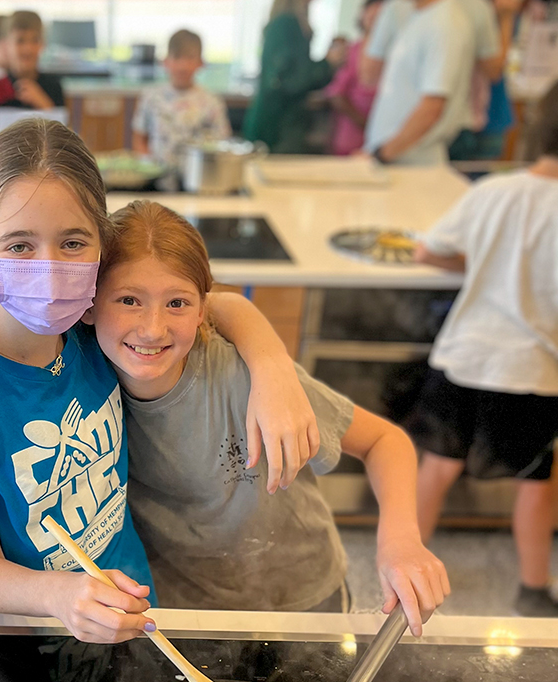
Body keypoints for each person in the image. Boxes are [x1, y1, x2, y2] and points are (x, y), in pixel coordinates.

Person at [0, 119, 324, 642]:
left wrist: (272, 366)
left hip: (136, 613)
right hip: (19, 646)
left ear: (102, 247)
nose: (50, 270)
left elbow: (215, 304)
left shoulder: (91, 332)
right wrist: (58, 594)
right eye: (20, 246)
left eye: (73, 243)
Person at [85, 199, 449, 633]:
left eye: (177, 304)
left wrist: (401, 542)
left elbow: (383, 441)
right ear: (89, 304)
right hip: (184, 609)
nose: (152, 328)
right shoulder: (78, 382)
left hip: (305, 595)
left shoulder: (240, 374)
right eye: (129, 300)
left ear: (203, 308)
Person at [408, 81, 558, 617]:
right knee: (536, 482)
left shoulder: (496, 190)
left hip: (465, 357)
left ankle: (405, 572)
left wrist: (487, 272)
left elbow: (429, 250)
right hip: (533, 371)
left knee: (438, 466)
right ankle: (534, 587)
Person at [364, 0, 477, 165]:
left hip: (413, 165)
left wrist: (382, 154)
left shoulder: (446, 24)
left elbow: (432, 107)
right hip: (397, 162)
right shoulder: (422, 15)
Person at [243, 0, 347, 154]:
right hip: (276, 128)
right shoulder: (286, 24)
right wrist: (327, 64)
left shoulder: (294, 23)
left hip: (284, 125)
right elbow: (289, 81)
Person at [449, 0, 518, 162]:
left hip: (486, 109)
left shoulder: (492, 0)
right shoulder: (478, 4)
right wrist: (505, 20)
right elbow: (495, 67)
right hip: (470, 111)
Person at [131, 28, 230, 174]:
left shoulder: (212, 102)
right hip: (157, 180)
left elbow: (221, 144)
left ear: (201, 63)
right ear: (165, 62)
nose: (183, 66)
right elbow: (139, 137)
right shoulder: (151, 97)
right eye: (177, 57)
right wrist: (147, 163)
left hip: (198, 179)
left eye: (190, 58)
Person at [325, 0, 394, 157]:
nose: (375, 14)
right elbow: (337, 94)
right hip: (349, 140)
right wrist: (366, 124)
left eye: (383, 11)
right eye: (371, 8)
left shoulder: (398, 56)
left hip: (385, 142)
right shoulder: (351, 51)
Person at [0, 11, 66, 123]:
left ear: (42, 44)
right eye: (20, 41)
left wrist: (43, 103)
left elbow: (65, 134)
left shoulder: (54, 86)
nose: (28, 49)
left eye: (35, 40)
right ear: (7, 45)